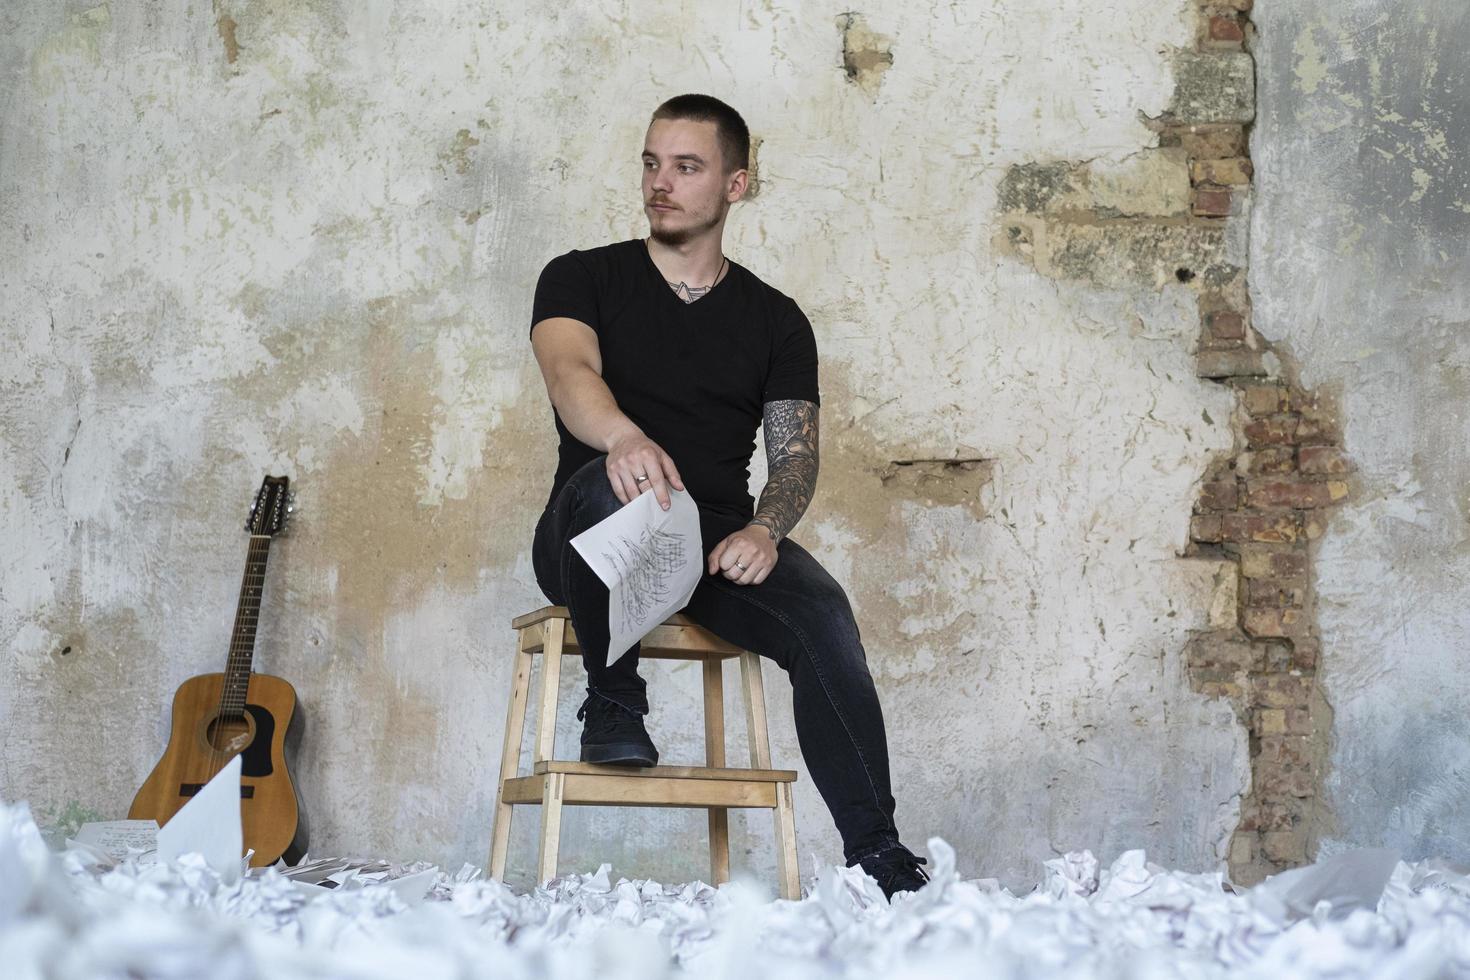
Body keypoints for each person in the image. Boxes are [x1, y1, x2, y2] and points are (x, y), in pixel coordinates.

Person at [526, 94, 928, 898]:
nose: (660, 184)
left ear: (736, 185)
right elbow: (570, 377)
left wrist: (767, 530)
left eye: (686, 166)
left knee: (822, 612)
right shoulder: (581, 275)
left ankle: (880, 857)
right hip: (591, 522)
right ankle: (612, 703)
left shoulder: (777, 321)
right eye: (650, 163)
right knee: (622, 496)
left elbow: (794, 457)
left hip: (706, 535)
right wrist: (624, 439)